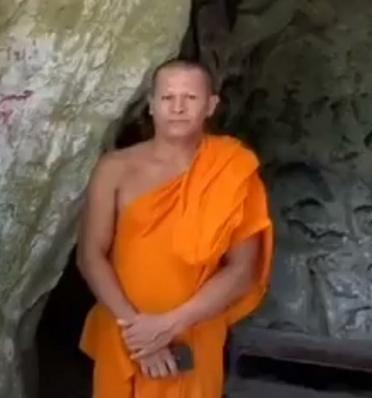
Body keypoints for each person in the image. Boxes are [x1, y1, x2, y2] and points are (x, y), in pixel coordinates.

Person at [77, 59, 274, 398]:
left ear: (211, 104)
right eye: (168, 98)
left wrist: (169, 325)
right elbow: (90, 255)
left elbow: (242, 271)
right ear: (151, 105)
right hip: (125, 333)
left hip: (193, 336)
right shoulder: (116, 168)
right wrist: (138, 333)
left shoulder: (231, 170)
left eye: (190, 98)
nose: (178, 108)